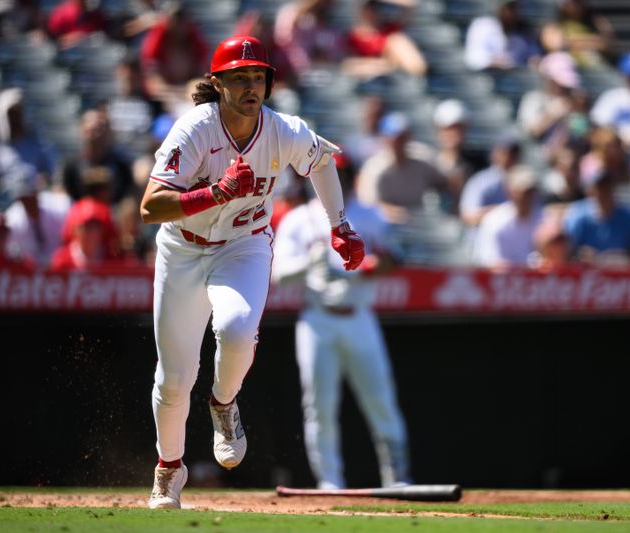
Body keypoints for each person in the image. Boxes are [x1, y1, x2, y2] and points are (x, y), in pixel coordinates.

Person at [138, 35, 365, 509]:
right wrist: (215, 193)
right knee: (175, 377)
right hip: (182, 248)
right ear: (217, 84)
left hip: (243, 245)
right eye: (239, 77)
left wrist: (339, 224)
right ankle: (169, 469)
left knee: (238, 329)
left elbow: (321, 162)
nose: (250, 85)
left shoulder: (283, 129)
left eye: (258, 76)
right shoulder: (194, 129)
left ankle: (223, 404)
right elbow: (149, 207)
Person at [271, 153, 410, 490]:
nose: (335, 178)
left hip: (359, 315)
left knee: (380, 400)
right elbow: (278, 276)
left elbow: (396, 256)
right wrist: (309, 263)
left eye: (339, 172)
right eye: (326, 172)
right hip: (318, 318)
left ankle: (397, 479)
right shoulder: (298, 219)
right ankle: (329, 480)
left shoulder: (369, 215)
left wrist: (377, 264)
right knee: (319, 404)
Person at [355, 111, 448, 224]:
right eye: (395, 138)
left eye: (402, 137)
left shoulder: (422, 158)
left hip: (418, 223)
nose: (399, 142)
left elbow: (446, 181)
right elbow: (366, 204)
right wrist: (392, 211)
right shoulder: (374, 167)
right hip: (383, 224)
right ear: (385, 139)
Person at [564, 154, 630, 265]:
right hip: (586, 278)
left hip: (620, 279)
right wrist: (582, 255)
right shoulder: (578, 214)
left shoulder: (627, 217)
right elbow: (566, 251)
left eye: (608, 187)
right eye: (600, 187)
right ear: (591, 190)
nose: (604, 192)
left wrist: (616, 259)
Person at [472, 165, 544, 268]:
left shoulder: (545, 219)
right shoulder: (494, 221)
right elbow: (490, 263)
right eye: (524, 192)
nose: (528, 196)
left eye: (532, 191)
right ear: (510, 192)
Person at [3, 164, 71, 268]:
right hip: (28, 277)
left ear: (37, 191)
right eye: (23, 198)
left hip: (61, 271)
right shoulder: (12, 220)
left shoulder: (61, 206)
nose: (28, 202)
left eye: (31, 196)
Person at [341, 0, 427, 80]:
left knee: (397, 40)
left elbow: (411, 5)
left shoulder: (389, 32)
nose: (378, 12)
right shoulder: (353, 36)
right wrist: (384, 64)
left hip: (391, 77)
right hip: (363, 77)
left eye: (379, 8)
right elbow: (346, 65)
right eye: (373, 8)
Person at [458, 132, 522, 227]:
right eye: (504, 152)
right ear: (494, 154)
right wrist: (504, 212)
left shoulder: (524, 182)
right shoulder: (481, 181)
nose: (509, 157)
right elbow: (469, 216)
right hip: (482, 238)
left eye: (513, 153)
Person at [464, 0, 541, 71]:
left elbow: (533, 55)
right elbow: (472, 57)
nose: (513, 12)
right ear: (499, 8)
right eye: (510, 7)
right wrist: (492, 61)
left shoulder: (525, 30)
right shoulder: (481, 25)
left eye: (516, 7)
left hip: (517, 78)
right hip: (488, 77)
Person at [539, 0, 614, 69]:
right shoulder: (554, 24)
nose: (577, 6)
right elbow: (554, 46)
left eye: (579, 2)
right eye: (573, 3)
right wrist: (592, 41)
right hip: (568, 67)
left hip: (594, 66)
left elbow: (605, 44)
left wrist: (572, 43)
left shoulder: (595, 22)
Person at [432, 98, 474, 213]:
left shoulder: (479, 164)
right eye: (449, 129)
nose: (455, 134)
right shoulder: (429, 163)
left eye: (459, 128)